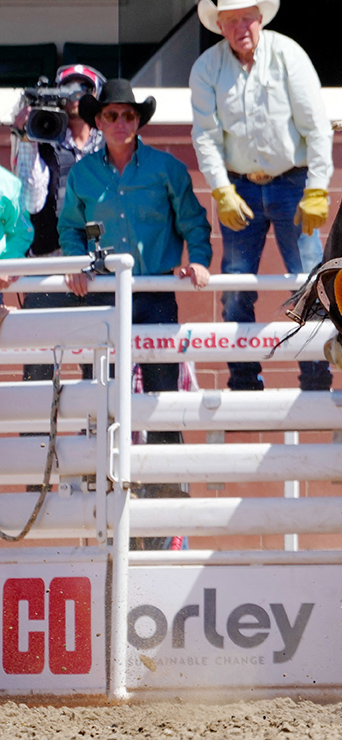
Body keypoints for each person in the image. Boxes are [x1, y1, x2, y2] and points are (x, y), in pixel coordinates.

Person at [58, 79, 211, 546]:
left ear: (138, 121)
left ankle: (167, 515)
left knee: (162, 399)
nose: (120, 123)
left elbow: (192, 220)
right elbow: (70, 228)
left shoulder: (168, 168)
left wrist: (199, 258)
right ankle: (103, 505)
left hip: (154, 294)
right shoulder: (83, 175)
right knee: (101, 398)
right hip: (101, 297)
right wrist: (76, 267)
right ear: (97, 121)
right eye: (110, 116)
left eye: (128, 115)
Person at [190, 0, 333, 392]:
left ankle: (315, 378)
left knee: (309, 282)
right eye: (232, 21)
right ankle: (243, 381)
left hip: (293, 182)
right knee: (236, 287)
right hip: (240, 187)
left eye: (248, 19)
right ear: (220, 25)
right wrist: (220, 189)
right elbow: (206, 136)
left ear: (260, 19)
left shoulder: (288, 54)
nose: (242, 28)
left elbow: (317, 128)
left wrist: (318, 189)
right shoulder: (206, 68)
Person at [10, 65, 108, 371]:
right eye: (68, 89)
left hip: (100, 268)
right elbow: (31, 201)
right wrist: (27, 139)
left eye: (84, 88)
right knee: (38, 366)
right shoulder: (44, 137)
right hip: (50, 266)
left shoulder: (112, 145)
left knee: (103, 368)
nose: (76, 95)